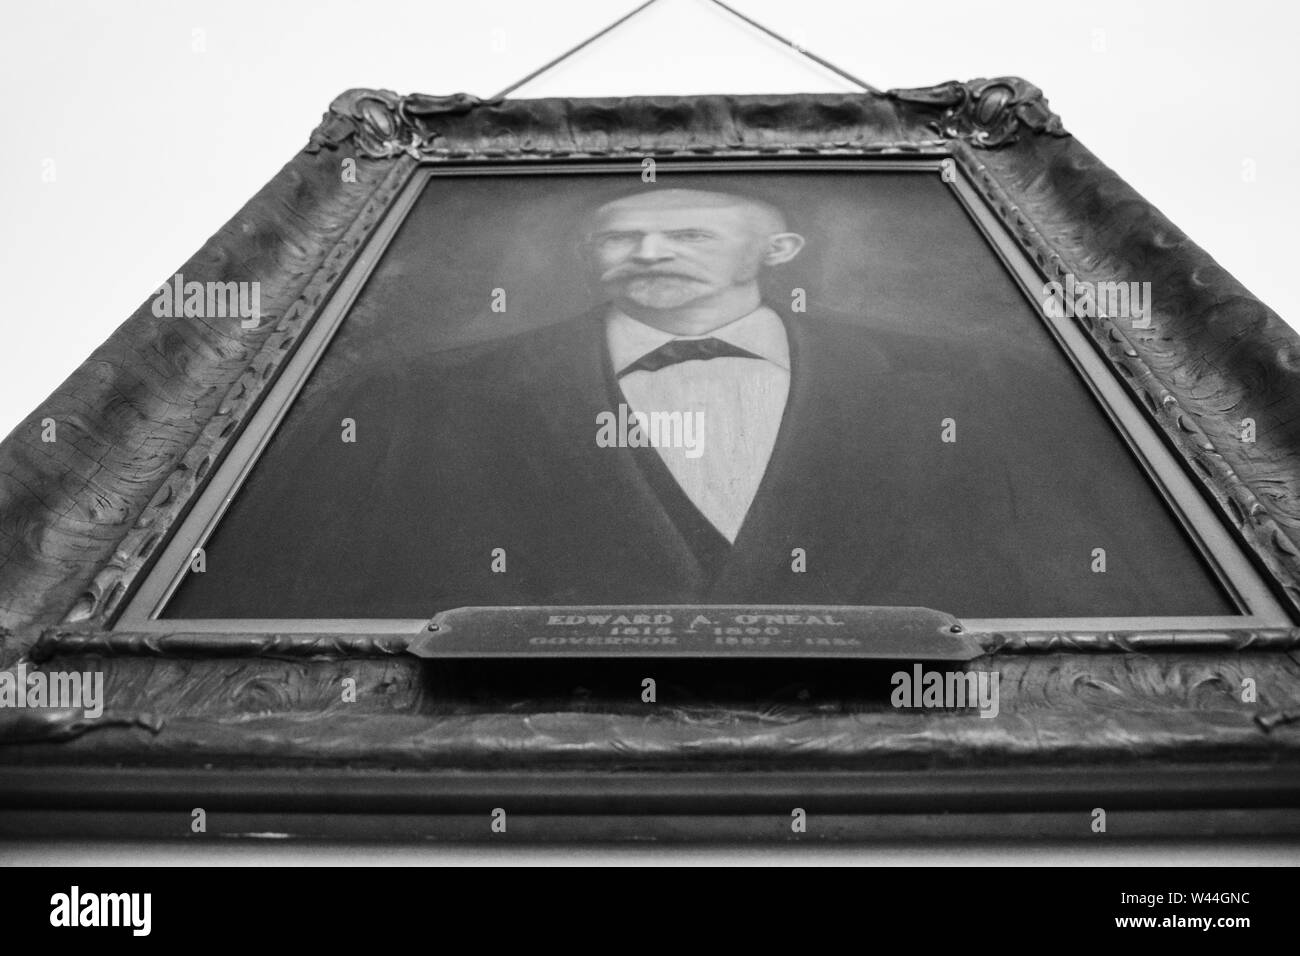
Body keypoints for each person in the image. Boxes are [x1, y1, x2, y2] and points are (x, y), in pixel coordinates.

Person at [164, 187, 1232, 619]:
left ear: (776, 250)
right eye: (620, 235)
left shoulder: (968, 386)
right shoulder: (414, 397)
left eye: (687, 229)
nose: (649, 250)